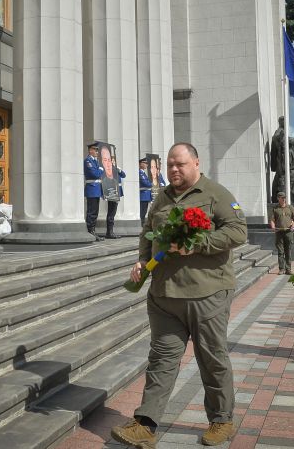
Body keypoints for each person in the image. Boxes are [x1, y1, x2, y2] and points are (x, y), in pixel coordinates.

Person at [111, 142, 247, 448]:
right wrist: (141, 261)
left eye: (180, 164)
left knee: (212, 358)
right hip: (164, 296)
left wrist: (197, 245)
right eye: (170, 164)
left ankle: (222, 420)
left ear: (196, 163)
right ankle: (145, 425)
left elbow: (238, 231)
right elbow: (148, 232)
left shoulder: (216, 194)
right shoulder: (162, 197)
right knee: (161, 360)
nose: (174, 169)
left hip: (207, 293)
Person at [269, 191, 294, 275]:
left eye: (284, 197)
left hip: (288, 232)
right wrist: (273, 227)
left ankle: (288, 269)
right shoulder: (275, 208)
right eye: (282, 198)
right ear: (278, 198)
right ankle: (281, 269)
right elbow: (272, 220)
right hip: (279, 232)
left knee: (288, 251)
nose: (284, 199)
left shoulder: (290, 207)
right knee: (280, 252)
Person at [83, 142, 104, 241]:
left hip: (96, 189)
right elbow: (95, 174)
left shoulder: (95, 161)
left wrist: (99, 170)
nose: (97, 152)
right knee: (91, 212)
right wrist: (100, 170)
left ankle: (93, 231)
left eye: (97, 150)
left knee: (95, 211)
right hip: (92, 188)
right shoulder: (88, 161)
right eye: (95, 150)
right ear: (90, 150)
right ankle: (90, 231)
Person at [105, 157, 126, 239]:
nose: (113, 162)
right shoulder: (108, 170)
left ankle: (111, 231)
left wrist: (119, 169)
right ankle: (109, 232)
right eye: (112, 161)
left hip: (117, 192)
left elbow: (124, 175)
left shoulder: (116, 169)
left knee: (113, 213)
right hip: (112, 192)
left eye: (114, 161)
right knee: (111, 213)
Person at [139, 157, 152, 225]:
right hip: (143, 195)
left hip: (146, 195)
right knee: (142, 210)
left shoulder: (143, 173)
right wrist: (153, 184)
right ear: (140, 164)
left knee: (144, 210)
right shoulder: (140, 172)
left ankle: (143, 222)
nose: (147, 165)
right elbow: (145, 183)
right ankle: (142, 222)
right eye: (145, 163)